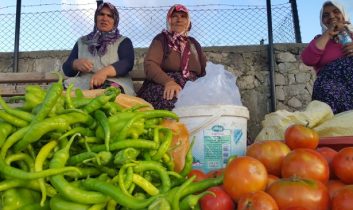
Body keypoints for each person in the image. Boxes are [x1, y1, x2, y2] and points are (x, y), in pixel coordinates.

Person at [137, 4, 207, 110]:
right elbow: (150, 64)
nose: (179, 19)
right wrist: (168, 82)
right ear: (169, 20)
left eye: (183, 16)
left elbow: (204, 70)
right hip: (164, 82)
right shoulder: (161, 39)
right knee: (170, 100)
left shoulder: (194, 43)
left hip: (192, 85)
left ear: (188, 22)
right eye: (175, 16)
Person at [62, 2, 135, 95]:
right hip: (84, 83)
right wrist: (75, 64)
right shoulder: (82, 42)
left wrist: (104, 72)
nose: (105, 18)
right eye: (101, 14)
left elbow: (127, 63)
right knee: (58, 89)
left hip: (114, 82)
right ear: (96, 18)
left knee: (106, 92)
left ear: (115, 21)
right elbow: (67, 69)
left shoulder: (123, 41)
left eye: (110, 16)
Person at [301, 0, 353, 114]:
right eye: (326, 15)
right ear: (322, 21)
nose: (331, 16)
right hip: (330, 89)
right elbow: (307, 59)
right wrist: (328, 34)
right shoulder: (320, 40)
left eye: (336, 12)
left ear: (343, 14)